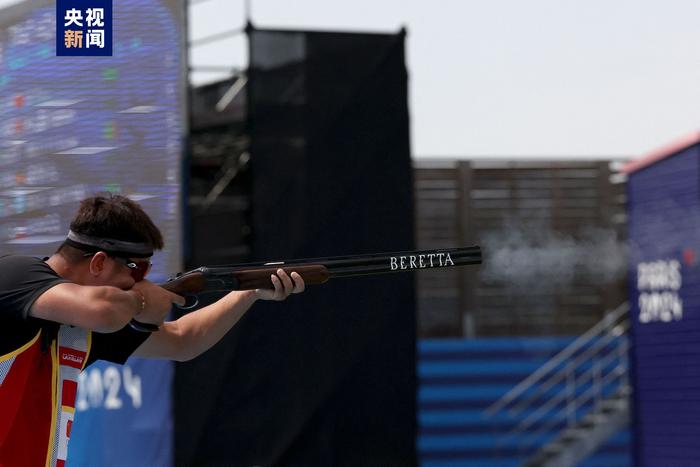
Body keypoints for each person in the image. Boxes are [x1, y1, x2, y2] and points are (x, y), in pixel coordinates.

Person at [0, 194, 305, 467]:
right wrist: (144, 299)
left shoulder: (74, 328)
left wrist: (249, 292)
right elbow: (105, 311)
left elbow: (183, 341)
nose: (139, 282)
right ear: (98, 263)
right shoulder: (14, 274)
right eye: (137, 270)